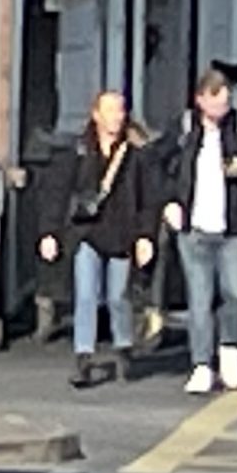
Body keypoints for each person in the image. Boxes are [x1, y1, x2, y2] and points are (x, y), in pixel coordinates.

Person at [36, 90, 157, 388]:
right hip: (86, 233)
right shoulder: (79, 151)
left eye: (121, 111)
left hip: (122, 235)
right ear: (96, 115)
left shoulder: (136, 155)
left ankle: (123, 347)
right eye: (110, 111)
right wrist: (49, 232)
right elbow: (57, 194)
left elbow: (148, 199)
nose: (117, 117)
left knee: (118, 296)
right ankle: (83, 358)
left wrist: (145, 236)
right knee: (87, 295)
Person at [161, 68, 237, 394]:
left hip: (233, 228)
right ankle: (201, 363)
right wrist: (169, 202)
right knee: (199, 299)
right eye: (216, 101)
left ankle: (229, 345)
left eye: (226, 101)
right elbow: (156, 163)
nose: (222, 108)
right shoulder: (184, 128)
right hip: (194, 227)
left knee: (236, 291)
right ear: (200, 99)